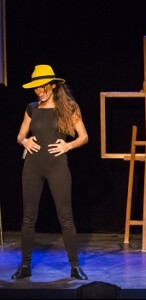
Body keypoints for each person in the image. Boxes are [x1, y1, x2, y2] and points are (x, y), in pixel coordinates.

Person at [11, 65, 89, 280]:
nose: (39, 91)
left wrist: (68, 146)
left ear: (53, 85)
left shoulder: (68, 108)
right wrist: (24, 140)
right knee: (28, 218)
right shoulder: (31, 108)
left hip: (57, 167)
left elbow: (84, 136)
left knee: (66, 218)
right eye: (36, 87)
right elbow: (19, 136)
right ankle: (25, 266)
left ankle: (75, 267)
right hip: (32, 167)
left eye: (42, 86)